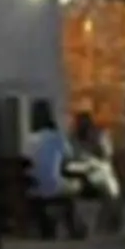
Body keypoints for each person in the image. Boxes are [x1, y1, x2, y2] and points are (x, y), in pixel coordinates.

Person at [25, 101, 79, 238]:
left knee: (40, 195)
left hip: (35, 187)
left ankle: (45, 227)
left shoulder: (30, 139)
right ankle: (72, 228)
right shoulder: (58, 137)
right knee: (70, 193)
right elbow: (69, 156)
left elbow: (28, 160)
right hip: (56, 184)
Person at [68, 109, 122, 235]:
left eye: (83, 122)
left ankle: (111, 222)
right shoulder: (73, 137)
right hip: (79, 170)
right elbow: (70, 155)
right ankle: (79, 226)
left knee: (110, 187)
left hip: (97, 170)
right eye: (79, 123)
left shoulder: (100, 134)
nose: (81, 125)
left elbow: (106, 154)